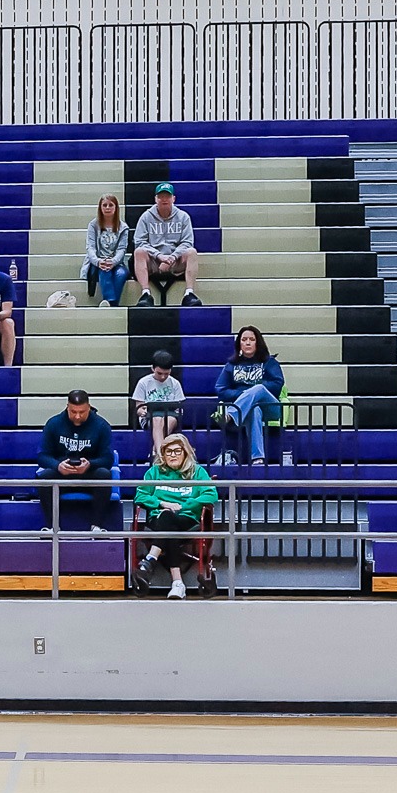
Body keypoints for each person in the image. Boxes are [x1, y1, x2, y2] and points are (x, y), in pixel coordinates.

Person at [134, 434, 218, 600]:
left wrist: (184, 505)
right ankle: (177, 584)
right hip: (158, 518)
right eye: (168, 452)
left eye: (177, 451)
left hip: (186, 518)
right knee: (167, 518)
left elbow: (211, 495)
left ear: (185, 452)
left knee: (169, 520)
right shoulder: (154, 472)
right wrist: (162, 504)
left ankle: (150, 560)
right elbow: (140, 496)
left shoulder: (197, 471)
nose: (172, 455)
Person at [36, 390, 116, 527]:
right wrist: (58, 466)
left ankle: (97, 526)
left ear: (89, 407)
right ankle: (51, 527)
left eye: (82, 412)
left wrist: (90, 464)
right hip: (62, 474)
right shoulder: (54, 424)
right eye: (73, 412)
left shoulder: (102, 426)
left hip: (89, 474)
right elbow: (42, 456)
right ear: (67, 407)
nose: (77, 416)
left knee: (104, 475)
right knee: (43, 478)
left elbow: (108, 459)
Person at [215, 326, 286, 466]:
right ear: (239, 344)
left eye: (252, 339)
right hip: (248, 408)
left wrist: (253, 392)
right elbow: (221, 389)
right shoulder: (231, 365)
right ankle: (257, 458)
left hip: (270, 407)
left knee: (258, 388)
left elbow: (278, 384)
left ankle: (230, 415)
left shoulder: (269, 362)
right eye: (244, 339)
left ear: (258, 343)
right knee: (254, 410)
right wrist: (244, 395)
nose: (248, 343)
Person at [132, 184, 202, 308]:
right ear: (155, 199)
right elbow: (139, 241)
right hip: (154, 261)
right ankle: (145, 294)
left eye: (167, 196)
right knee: (139, 252)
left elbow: (187, 242)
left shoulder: (183, 217)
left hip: (176, 261)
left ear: (173, 199)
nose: (164, 199)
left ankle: (189, 293)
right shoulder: (146, 217)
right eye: (161, 196)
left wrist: (172, 257)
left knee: (192, 251)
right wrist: (159, 256)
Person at [132, 350, 187, 453]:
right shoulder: (143, 382)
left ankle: (157, 452)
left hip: (170, 416)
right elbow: (139, 407)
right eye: (159, 373)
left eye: (166, 374)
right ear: (152, 368)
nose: (163, 377)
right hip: (150, 417)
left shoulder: (175, 383)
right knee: (157, 419)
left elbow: (179, 407)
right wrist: (142, 412)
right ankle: (160, 452)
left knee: (169, 419)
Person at [83, 195, 131, 306]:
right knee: (105, 271)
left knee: (121, 274)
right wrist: (99, 261)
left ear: (116, 208)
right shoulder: (93, 225)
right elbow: (90, 248)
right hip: (97, 263)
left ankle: (109, 304)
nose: (107, 208)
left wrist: (113, 261)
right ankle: (112, 303)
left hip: (116, 263)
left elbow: (122, 249)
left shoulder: (123, 227)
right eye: (104, 205)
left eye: (110, 205)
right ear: (100, 208)